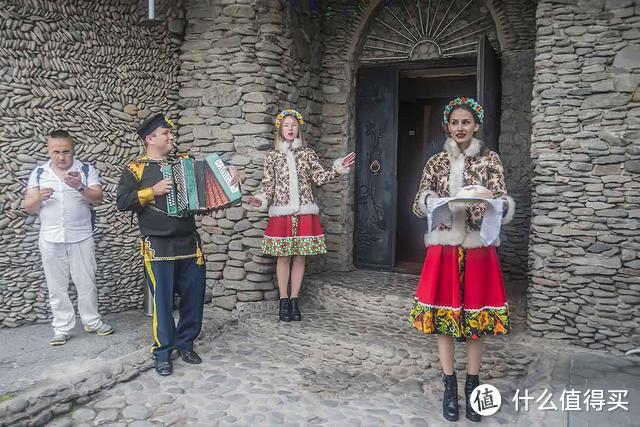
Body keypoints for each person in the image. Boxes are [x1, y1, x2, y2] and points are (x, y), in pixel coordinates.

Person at [409, 97, 515, 422]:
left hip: (477, 248)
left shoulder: (490, 159)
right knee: (444, 318)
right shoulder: (436, 162)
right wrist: (430, 201)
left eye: (465, 122)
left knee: (475, 322)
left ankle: (472, 385)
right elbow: (418, 200)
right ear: (447, 126)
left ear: (476, 125)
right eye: (454, 122)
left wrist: (488, 200)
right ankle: (448, 385)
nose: (460, 128)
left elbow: (502, 200)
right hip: (443, 249)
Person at [116, 113, 238, 376]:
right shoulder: (135, 168)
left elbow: (213, 175)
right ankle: (163, 352)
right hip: (157, 245)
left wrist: (230, 172)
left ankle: (186, 343)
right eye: (165, 133)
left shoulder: (184, 163)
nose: (171, 136)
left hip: (188, 242)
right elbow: (123, 201)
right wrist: (153, 191)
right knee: (162, 301)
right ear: (150, 139)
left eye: (170, 133)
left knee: (193, 298)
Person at [246, 109, 355, 322]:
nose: (290, 129)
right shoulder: (272, 156)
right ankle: (283, 301)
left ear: (299, 129)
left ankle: (295, 300)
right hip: (282, 212)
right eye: (286, 125)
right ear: (280, 128)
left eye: (294, 125)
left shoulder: (307, 154)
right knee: (284, 257)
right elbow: (268, 187)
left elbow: (320, 178)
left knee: (300, 257)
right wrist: (260, 200)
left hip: (305, 211)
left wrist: (339, 168)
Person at [24, 129, 114, 346]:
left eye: (66, 152)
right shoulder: (38, 173)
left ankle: (92, 321)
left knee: (86, 283)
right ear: (49, 150)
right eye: (57, 152)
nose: (62, 157)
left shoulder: (84, 169)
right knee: (56, 286)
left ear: (73, 150)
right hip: (50, 238)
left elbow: (99, 198)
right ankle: (62, 328)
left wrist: (79, 186)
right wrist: (38, 197)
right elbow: (28, 207)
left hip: (81, 236)